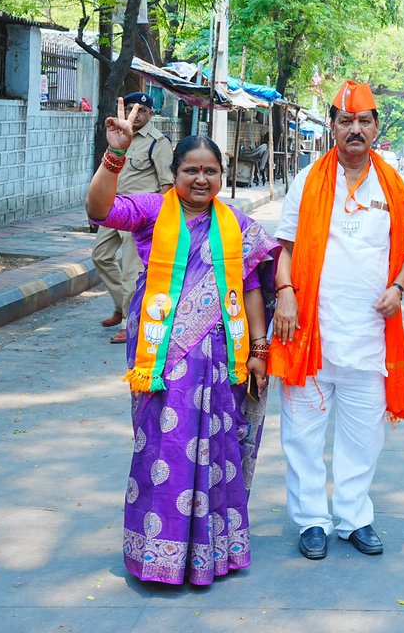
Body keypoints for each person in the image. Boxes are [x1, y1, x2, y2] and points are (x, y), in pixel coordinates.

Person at [86, 99, 290, 586]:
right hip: (162, 357)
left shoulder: (236, 222)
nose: (201, 179)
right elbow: (100, 209)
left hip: (221, 361)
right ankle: (158, 553)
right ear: (174, 174)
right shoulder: (155, 209)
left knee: (217, 450)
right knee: (164, 448)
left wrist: (260, 349)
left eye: (211, 171)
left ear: (221, 176)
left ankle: (209, 554)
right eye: (191, 170)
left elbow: (257, 281)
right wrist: (114, 155)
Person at [269, 81, 404, 561]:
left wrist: (398, 289)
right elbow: (286, 249)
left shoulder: (395, 186)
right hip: (308, 334)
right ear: (333, 126)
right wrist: (285, 294)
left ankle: (354, 517)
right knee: (303, 437)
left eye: (364, 121)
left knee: (363, 439)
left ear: (377, 126)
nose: (355, 129)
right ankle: (312, 520)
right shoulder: (308, 179)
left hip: (368, 340)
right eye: (345, 120)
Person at [91, 91, 173, 344]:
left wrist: (161, 221)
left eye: (141, 110)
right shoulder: (119, 134)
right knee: (100, 256)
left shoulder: (157, 142)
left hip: (139, 217)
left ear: (150, 114)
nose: (134, 114)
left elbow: (167, 184)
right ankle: (120, 304)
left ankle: (130, 322)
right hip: (114, 209)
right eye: (130, 108)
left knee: (131, 271)